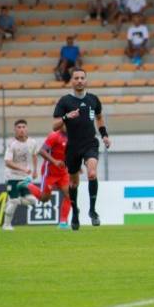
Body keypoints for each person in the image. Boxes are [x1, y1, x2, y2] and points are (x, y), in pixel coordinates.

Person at [53, 68, 111, 230]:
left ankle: (92, 211)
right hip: (72, 147)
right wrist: (66, 117)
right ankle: (76, 213)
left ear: (86, 80)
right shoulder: (65, 101)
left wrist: (104, 135)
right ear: (72, 81)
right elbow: (54, 126)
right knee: (73, 183)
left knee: (92, 173)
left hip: (90, 143)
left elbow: (99, 117)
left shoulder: (93, 99)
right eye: (76, 78)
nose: (79, 80)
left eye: (82, 78)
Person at [24, 125, 73, 229]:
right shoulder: (54, 136)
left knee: (69, 195)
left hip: (63, 172)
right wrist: (55, 161)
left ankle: (63, 222)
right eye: (66, 123)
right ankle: (27, 185)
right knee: (44, 199)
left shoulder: (73, 136)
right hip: (50, 171)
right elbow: (42, 151)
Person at [2, 119, 39, 231]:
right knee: (14, 202)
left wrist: (35, 170)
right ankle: (6, 225)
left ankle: (13, 201)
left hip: (25, 178)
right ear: (15, 130)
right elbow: (7, 162)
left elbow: (34, 155)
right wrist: (22, 168)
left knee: (32, 200)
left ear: (26, 129)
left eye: (23, 127)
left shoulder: (32, 142)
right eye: (19, 127)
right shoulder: (11, 144)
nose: (21, 129)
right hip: (12, 177)